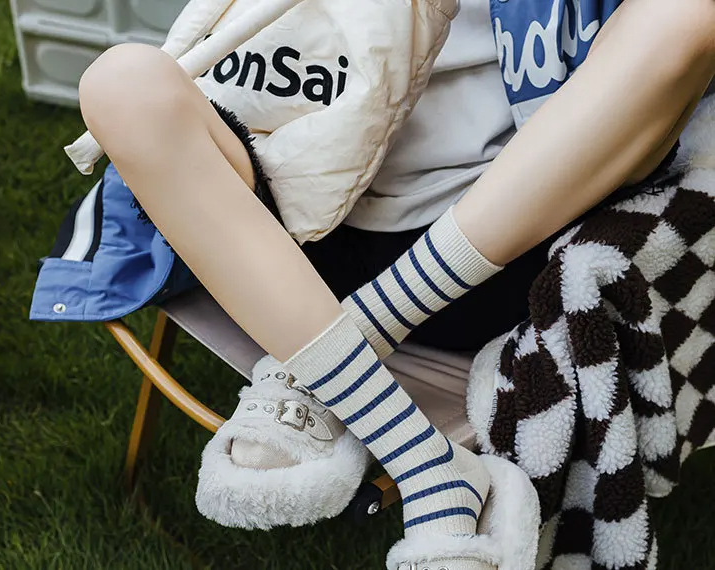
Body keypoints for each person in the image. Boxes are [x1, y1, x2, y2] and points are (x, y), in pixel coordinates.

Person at [64, 0, 715, 566]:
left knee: (688, 13)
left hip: (499, 244)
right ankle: (428, 466)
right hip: (294, 232)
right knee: (121, 84)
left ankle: (351, 341)